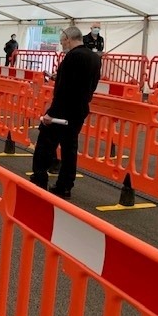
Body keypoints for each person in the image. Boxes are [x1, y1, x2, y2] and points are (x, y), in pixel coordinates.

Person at [30, 26, 101, 199]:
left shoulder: (72, 57)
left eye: (62, 42)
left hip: (62, 111)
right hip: (80, 109)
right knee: (69, 148)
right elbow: (90, 83)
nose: (62, 45)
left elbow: (64, 89)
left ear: (69, 39)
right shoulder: (94, 57)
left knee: (44, 145)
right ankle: (65, 185)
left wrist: (51, 113)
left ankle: (39, 180)